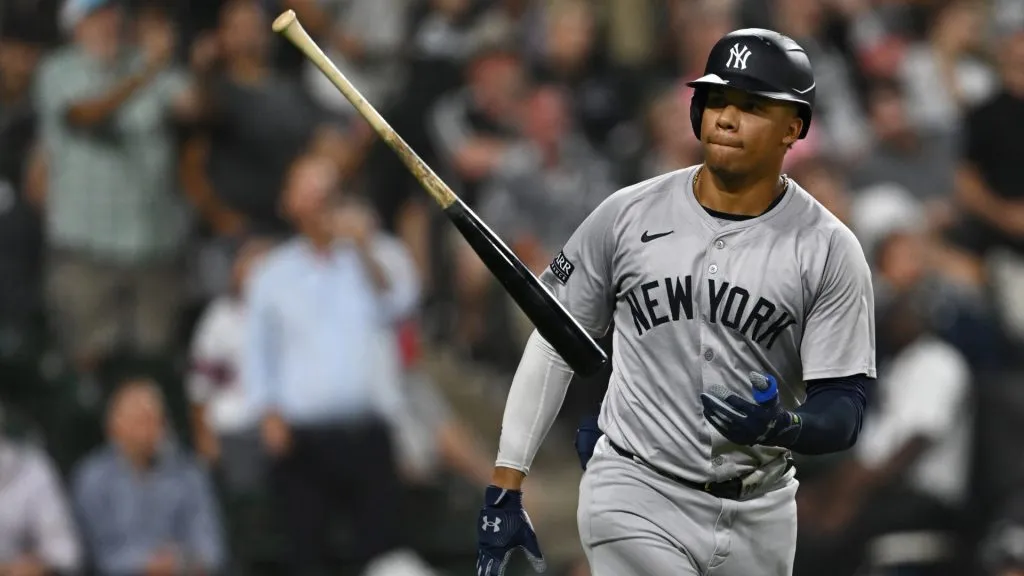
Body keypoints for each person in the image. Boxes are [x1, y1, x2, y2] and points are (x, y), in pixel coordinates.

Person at [474, 29, 875, 576]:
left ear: (794, 128)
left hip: (763, 509)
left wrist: (785, 428)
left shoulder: (828, 248)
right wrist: (506, 480)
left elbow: (845, 407)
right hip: (635, 488)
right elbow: (553, 341)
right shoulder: (627, 214)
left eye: (752, 105)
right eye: (716, 100)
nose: (726, 118)